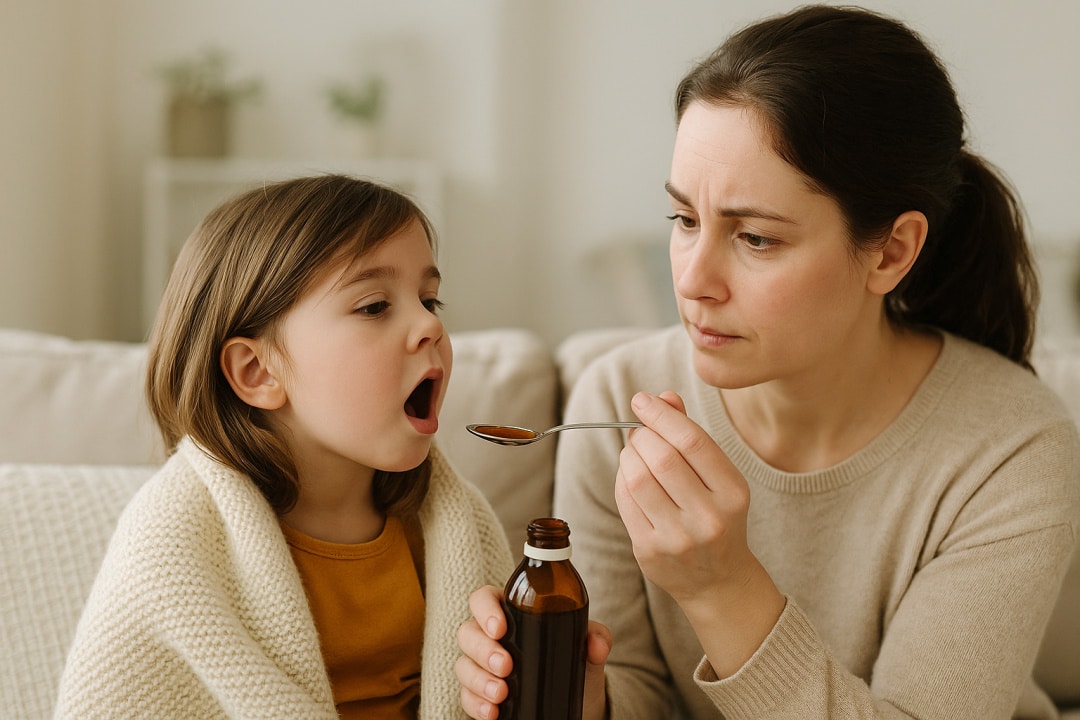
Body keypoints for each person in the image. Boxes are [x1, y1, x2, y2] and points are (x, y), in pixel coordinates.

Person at [456, 5, 1080, 719]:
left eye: (755, 238)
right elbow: (634, 693)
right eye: (685, 221)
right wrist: (572, 692)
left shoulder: (1010, 447)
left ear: (892, 251)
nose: (692, 281)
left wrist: (723, 590)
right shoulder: (619, 399)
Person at [55, 174, 513, 719]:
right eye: (374, 306)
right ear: (257, 371)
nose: (428, 327)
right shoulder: (174, 545)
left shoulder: (451, 525)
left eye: (430, 300)